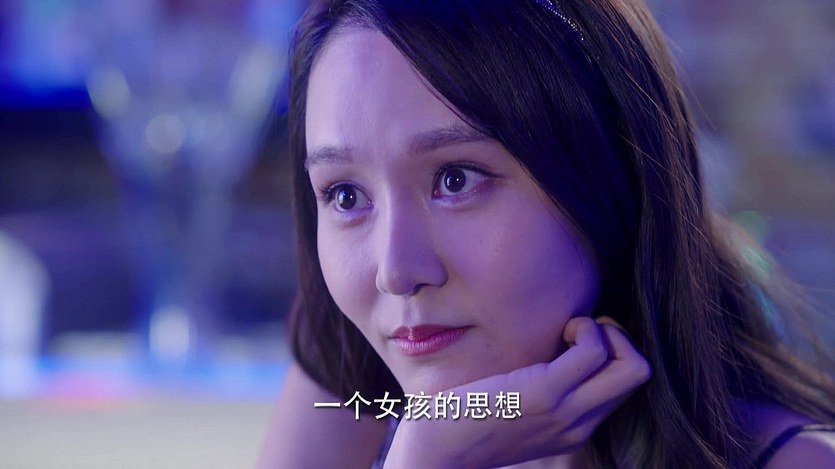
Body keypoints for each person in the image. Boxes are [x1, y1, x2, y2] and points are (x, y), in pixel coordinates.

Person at [258, 0, 835, 467]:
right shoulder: (348, 385)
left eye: (456, 180)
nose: (396, 272)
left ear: (611, 180)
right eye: (345, 196)